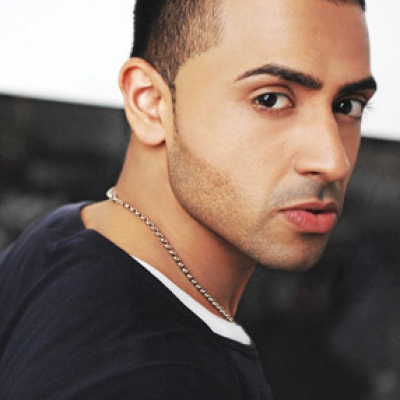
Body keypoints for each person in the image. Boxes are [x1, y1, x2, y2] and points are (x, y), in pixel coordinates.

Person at [0, 0, 377, 398]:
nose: (333, 161)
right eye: (270, 99)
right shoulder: (157, 380)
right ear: (150, 102)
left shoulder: (64, 232)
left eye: (347, 106)